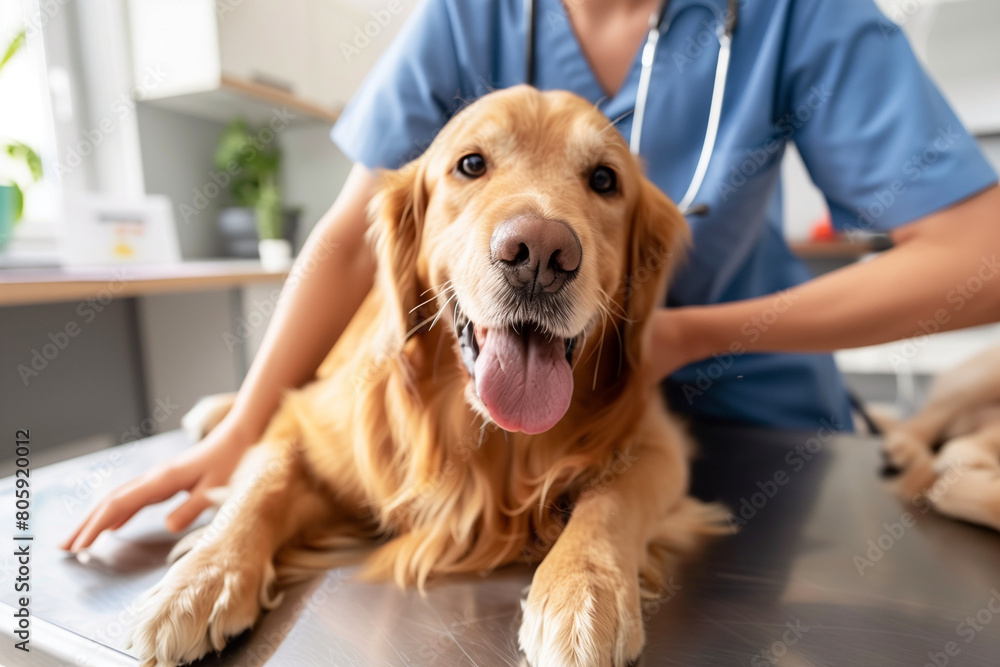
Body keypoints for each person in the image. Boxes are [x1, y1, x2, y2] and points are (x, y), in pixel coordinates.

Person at [63, 0, 1000, 552]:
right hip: (521, 418)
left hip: (760, 433)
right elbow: (359, 234)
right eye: (477, 165)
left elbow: (983, 258)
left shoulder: (799, 17)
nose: (539, 240)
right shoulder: (472, 16)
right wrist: (251, 424)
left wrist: (690, 333)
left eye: (600, 181)